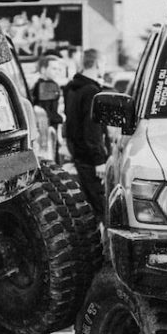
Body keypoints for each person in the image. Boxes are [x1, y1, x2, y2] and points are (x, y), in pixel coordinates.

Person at [63, 48, 108, 217]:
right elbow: (92, 128)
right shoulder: (91, 92)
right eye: (103, 63)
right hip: (90, 158)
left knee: (88, 203)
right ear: (97, 64)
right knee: (101, 206)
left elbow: (70, 121)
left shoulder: (71, 88)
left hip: (78, 153)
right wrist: (99, 159)